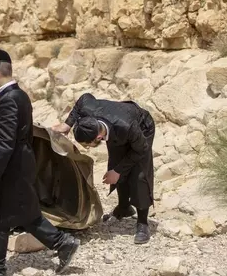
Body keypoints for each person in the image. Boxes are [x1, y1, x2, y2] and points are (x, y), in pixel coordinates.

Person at [0, 49, 80, 276]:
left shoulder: (7, 100)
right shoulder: (21, 96)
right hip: (22, 164)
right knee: (27, 213)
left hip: (10, 168)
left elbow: (5, 143)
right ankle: (63, 243)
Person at [52, 93, 155, 244]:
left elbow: (141, 150)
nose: (88, 148)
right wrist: (67, 124)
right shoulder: (88, 108)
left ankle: (142, 223)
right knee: (115, 164)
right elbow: (84, 98)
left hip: (142, 128)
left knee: (139, 174)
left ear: (98, 138)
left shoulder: (127, 126)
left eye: (89, 144)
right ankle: (124, 207)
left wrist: (119, 171)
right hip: (116, 126)